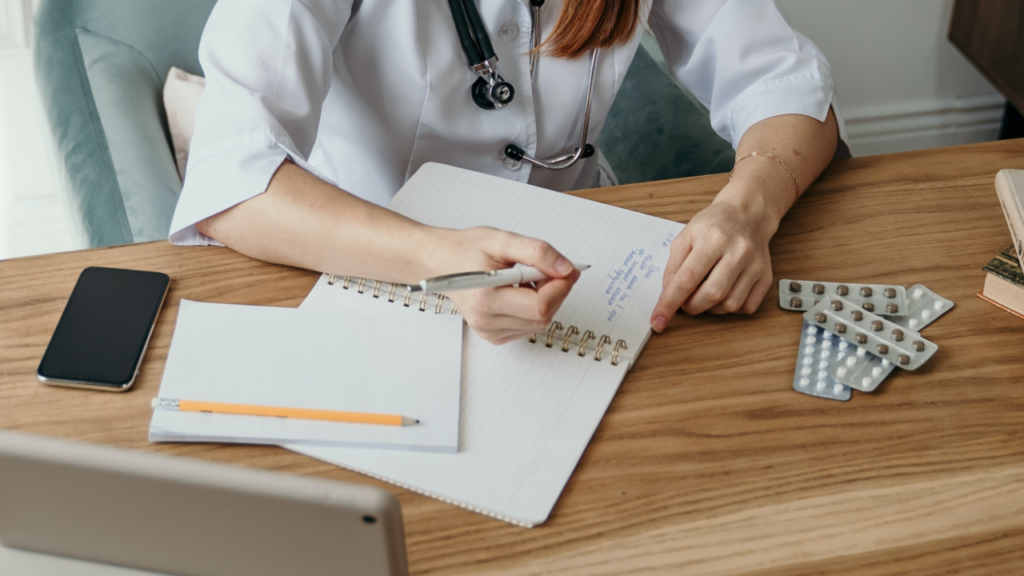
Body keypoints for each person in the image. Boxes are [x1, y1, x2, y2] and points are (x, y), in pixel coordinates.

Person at [169, 0, 846, 344]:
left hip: (589, 273)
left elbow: (787, 85)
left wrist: (746, 209)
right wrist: (442, 260)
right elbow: (233, 179)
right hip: (369, 266)